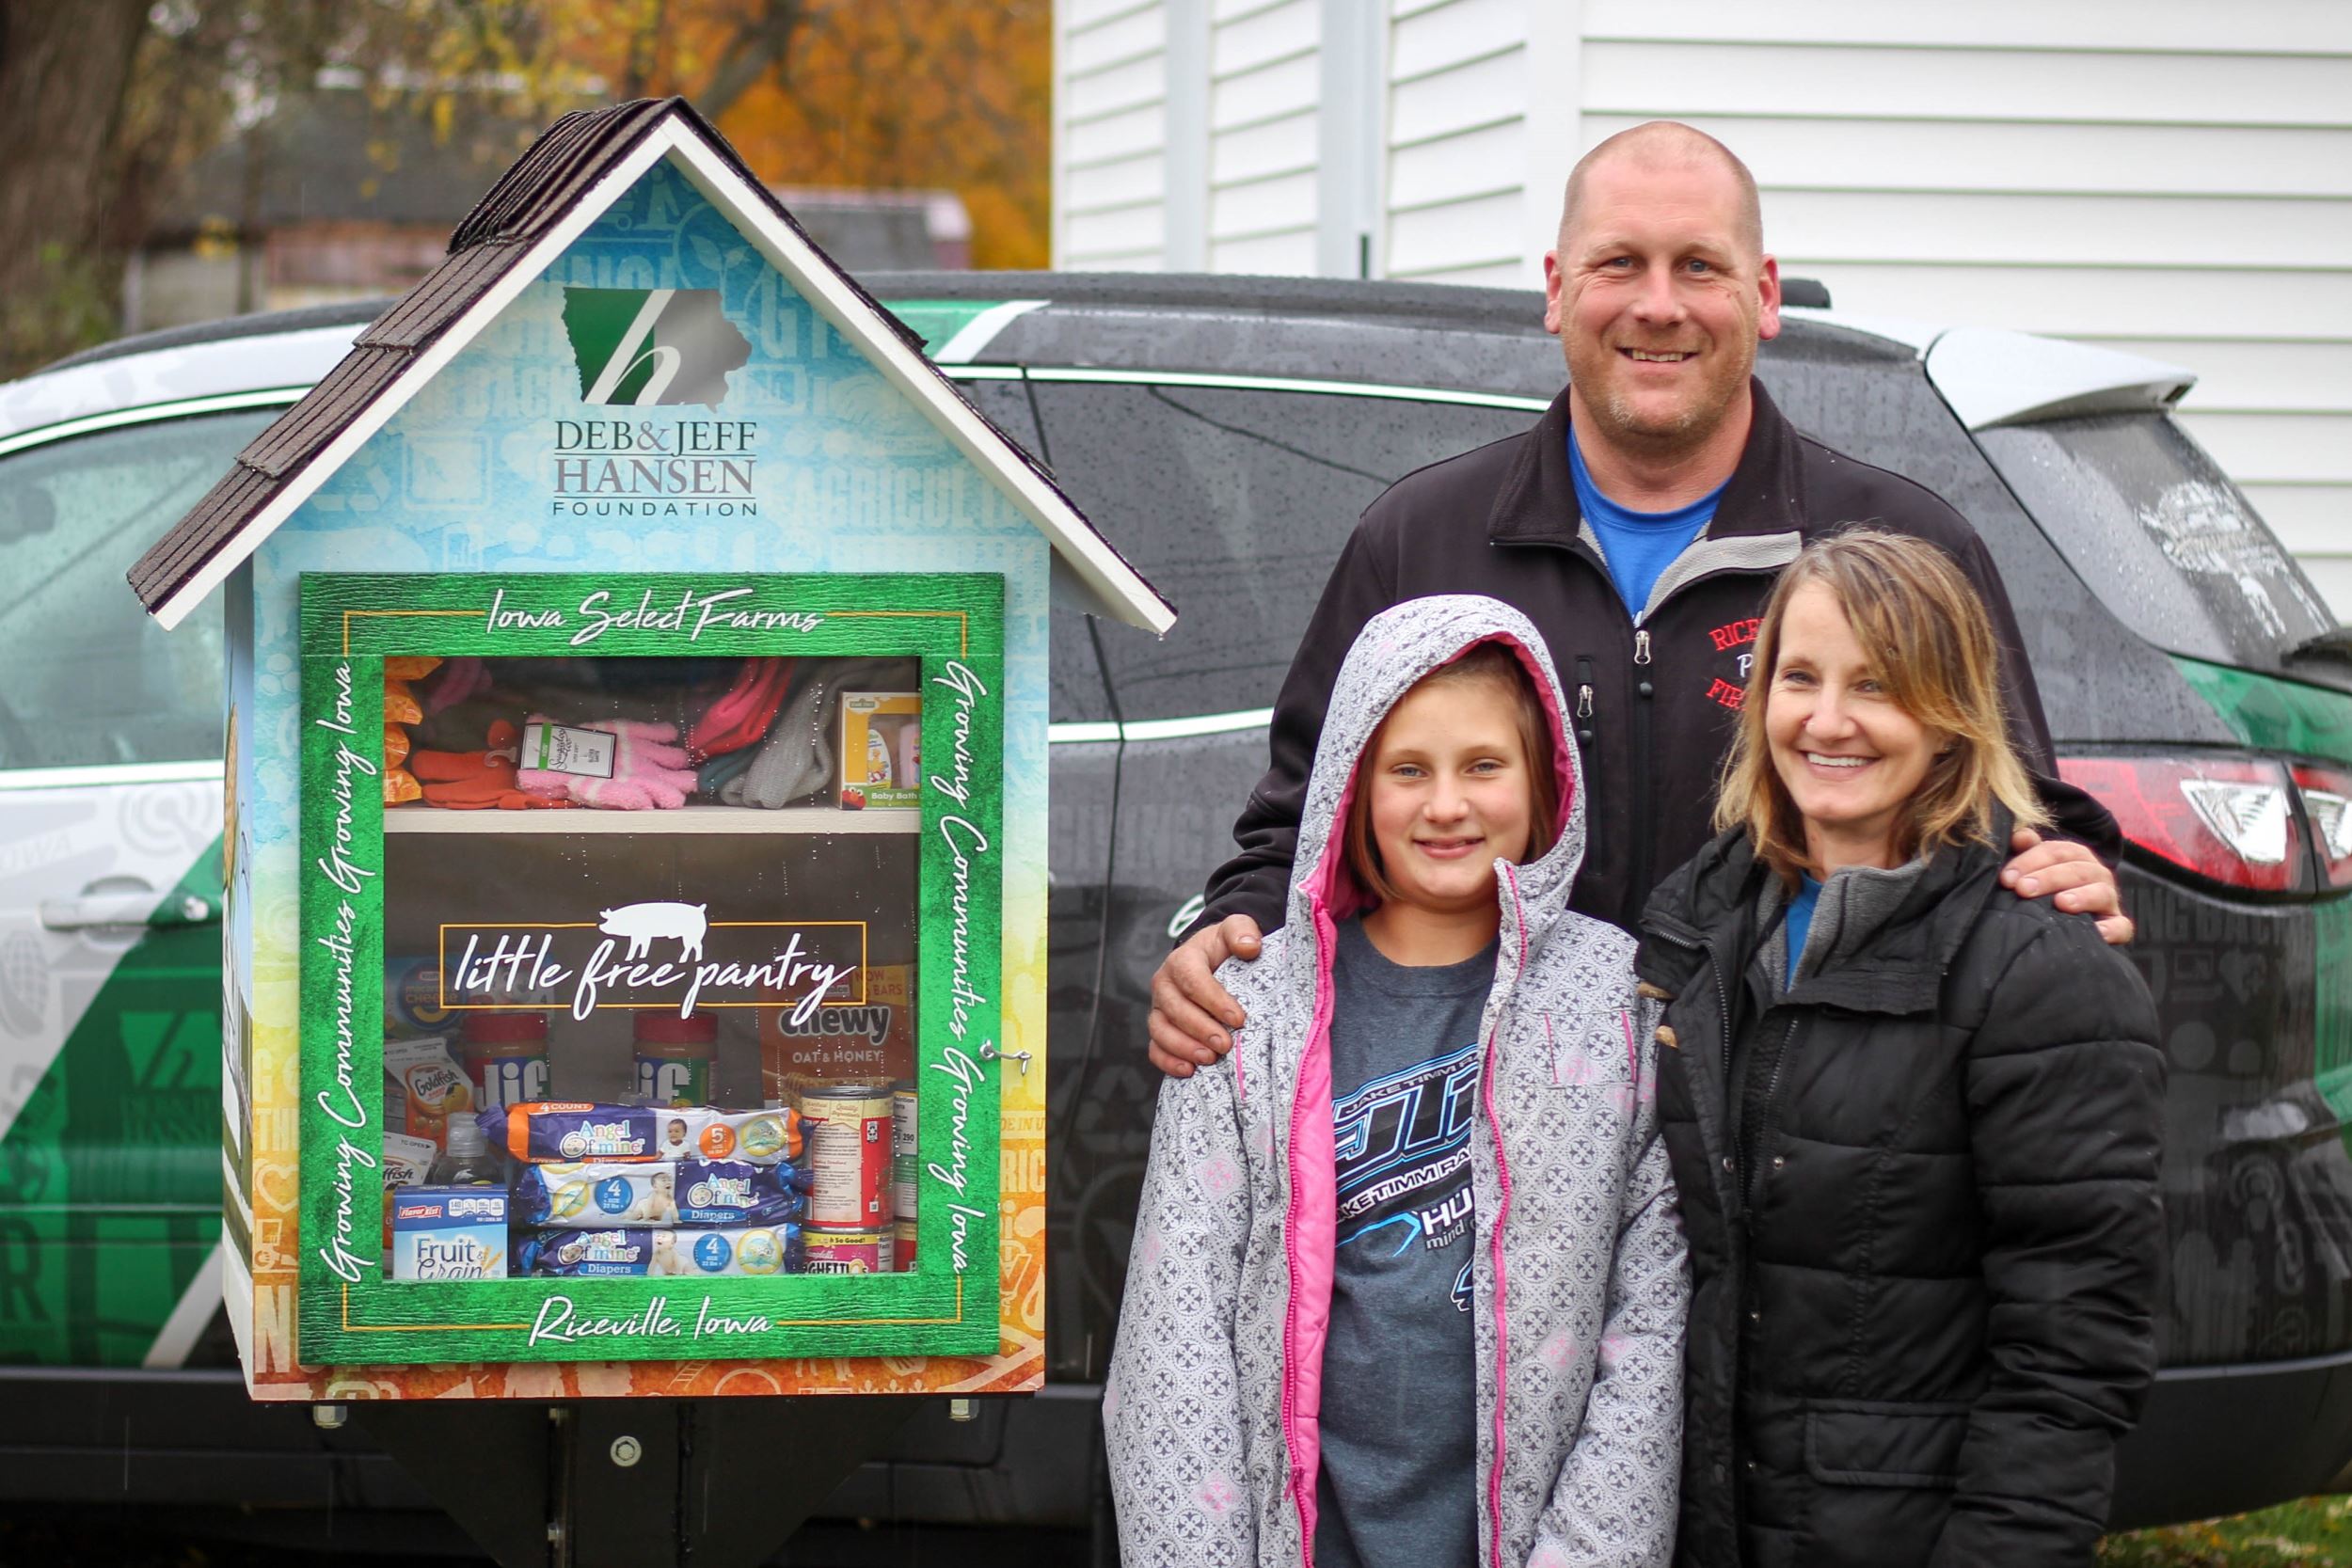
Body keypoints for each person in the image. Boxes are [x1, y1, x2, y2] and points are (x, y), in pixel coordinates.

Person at [1148, 120, 2126, 1081]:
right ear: (1557, 289)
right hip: (1484, 1136)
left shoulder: (1899, 548)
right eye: (1619, 263)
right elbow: (1302, 828)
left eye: (1698, 266)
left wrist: (2063, 870)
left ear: (1763, 294)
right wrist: (1231, 934)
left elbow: (2013, 815)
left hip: (1795, 1134)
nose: (1658, 306)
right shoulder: (1420, 543)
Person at [1106, 595, 1687, 1568]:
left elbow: (1651, 1328)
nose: (1446, 804)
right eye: (1407, 769)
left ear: (1545, 781)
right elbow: (1177, 1341)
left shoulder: (1617, 1001)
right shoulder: (1249, 1012)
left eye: (1483, 765)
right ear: (1350, 786)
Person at [1635, 531, 2163, 1567]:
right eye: (1799, 677)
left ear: (1949, 713)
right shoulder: (1697, 929)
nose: (1827, 719)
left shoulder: (2040, 970)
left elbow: (2071, 1356)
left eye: (1875, 684)